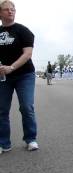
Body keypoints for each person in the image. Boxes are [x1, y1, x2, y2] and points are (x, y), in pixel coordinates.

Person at [0, 0, 39, 154]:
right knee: (2, 110)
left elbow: (27, 53)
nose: (10, 11)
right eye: (6, 9)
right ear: (0, 13)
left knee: (26, 107)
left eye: (13, 9)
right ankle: (4, 143)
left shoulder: (23, 31)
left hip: (24, 75)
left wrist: (12, 67)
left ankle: (31, 139)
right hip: (3, 77)